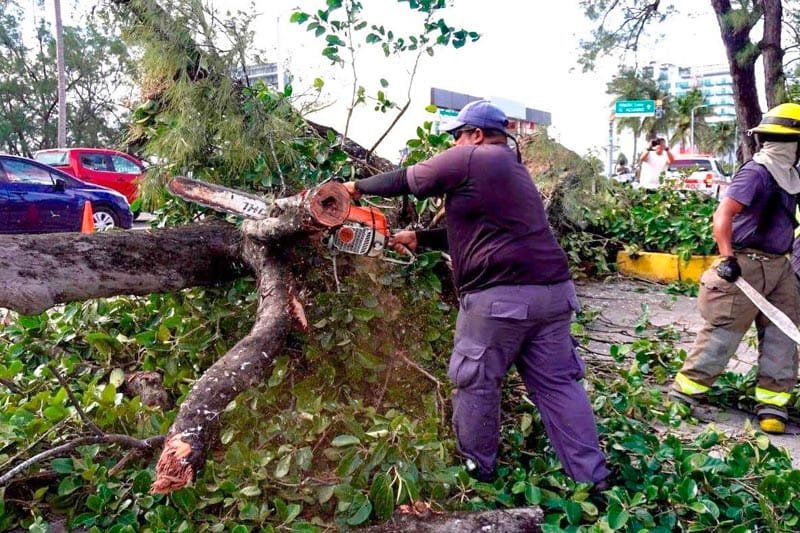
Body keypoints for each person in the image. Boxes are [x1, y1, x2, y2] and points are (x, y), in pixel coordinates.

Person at [342, 100, 611, 488]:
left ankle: (476, 479)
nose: (454, 144)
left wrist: (353, 188)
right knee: (559, 385)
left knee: (475, 382)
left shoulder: (473, 156)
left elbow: (410, 178)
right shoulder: (513, 170)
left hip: (501, 299)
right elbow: (482, 232)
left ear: (477, 134)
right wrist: (420, 238)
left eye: (457, 136)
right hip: (554, 295)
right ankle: (593, 480)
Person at [667, 102, 800, 435]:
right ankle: (684, 395)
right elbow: (723, 215)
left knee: (783, 336)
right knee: (723, 334)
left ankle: (773, 405)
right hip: (745, 264)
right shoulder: (757, 173)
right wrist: (727, 258)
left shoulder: (792, 177)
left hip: (779, 266)